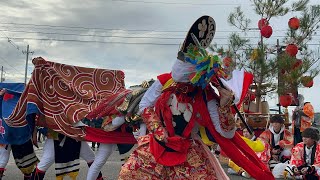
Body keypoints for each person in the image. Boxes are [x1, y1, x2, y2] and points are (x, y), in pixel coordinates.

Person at [118, 15, 273, 180]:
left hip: (188, 149)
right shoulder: (164, 81)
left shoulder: (205, 96)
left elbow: (225, 134)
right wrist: (159, 131)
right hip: (157, 145)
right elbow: (145, 105)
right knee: (130, 173)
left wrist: (224, 107)